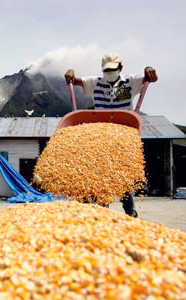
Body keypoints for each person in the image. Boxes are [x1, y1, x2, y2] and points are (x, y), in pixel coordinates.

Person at [64, 53, 158, 217]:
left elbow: (151, 78)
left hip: (123, 133)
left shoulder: (128, 82)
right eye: (106, 70)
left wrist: (148, 70)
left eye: (112, 69)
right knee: (101, 174)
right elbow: (76, 81)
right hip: (100, 135)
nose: (109, 73)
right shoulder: (96, 83)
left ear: (120, 68)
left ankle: (130, 212)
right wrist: (71, 73)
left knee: (121, 175)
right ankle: (103, 211)